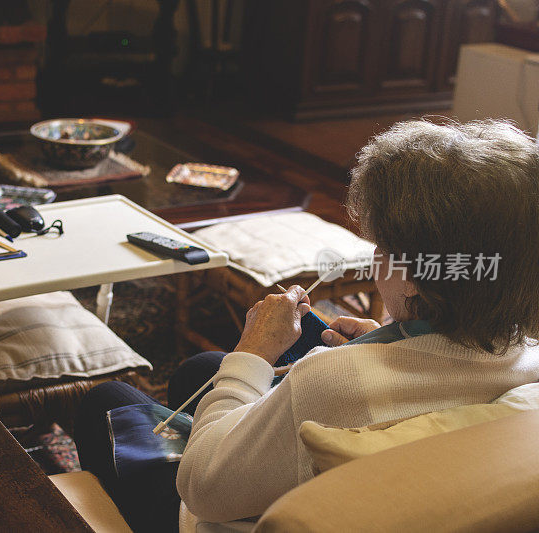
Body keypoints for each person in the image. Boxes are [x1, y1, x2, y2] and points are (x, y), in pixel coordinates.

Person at [73, 119, 539, 532]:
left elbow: (201, 487)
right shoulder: (529, 357)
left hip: (211, 512)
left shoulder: (329, 381)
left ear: (415, 278)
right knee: (202, 370)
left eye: (380, 245)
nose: (375, 256)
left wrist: (254, 350)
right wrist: (388, 342)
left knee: (105, 399)